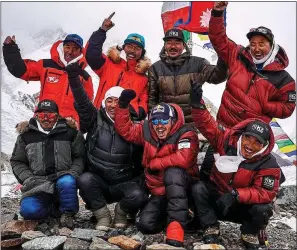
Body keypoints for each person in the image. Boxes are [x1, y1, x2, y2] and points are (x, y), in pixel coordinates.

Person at [189, 83, 281, 249]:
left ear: (264, 145)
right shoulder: (226, 140)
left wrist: (236, 194)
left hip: (240, 206)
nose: (250, 145)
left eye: (257, 142)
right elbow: (207, 125)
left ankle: (249, 232)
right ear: (242, 135)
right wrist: (197, 105)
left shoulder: (269, 164)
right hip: (218, 199)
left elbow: (265, 193)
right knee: (198, 188)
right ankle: (210, 226)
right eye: (248, 138)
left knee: (263, 208)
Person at [65, 62, 148, 231]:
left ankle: (121, 211)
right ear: (104, 103)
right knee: (85, 180)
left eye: (117, 101)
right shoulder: (95, 118)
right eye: (109, 100)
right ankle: (102, 215)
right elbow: (82, 102)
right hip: (99, 181)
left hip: (125, 182)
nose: (112, 105)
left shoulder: (137, 125)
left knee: (139, 194)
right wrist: (74, 79)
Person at [114, 90, 199, 247]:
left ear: (172, 120)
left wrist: (154, 164)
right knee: (145, 225)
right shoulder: (147, 130)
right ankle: (178, 216)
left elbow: (184, 158)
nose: (159, 125)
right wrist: (122, 106)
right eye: (155, 121)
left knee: (173, 172)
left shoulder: (186, 133)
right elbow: (126, 130)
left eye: (164, 120)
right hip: (159, 190)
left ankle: (176, 227)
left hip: (184, 187)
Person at [209, 1, 296, 128]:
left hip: (250, 136)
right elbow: (218, 39)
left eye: (262, 44)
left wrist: (265, 105)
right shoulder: (237, 54)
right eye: (253, 44)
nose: (256, 49)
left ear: (271, 46)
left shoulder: (285, 80)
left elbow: (288, 107)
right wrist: (217, 13)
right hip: (222, 129)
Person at [10, 99, 85, 229]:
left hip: (63, 178)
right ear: (36, 115)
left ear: (57, 115)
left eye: (50, 114)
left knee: (67, 182)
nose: (46, 118)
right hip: (37, 184)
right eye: (42, 114)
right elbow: (17, 161)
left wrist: (73, 173)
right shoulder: (25, 136)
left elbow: (80, 157)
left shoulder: (70, 132)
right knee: (28, 211)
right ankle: (53, 210)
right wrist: (28, 178)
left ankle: (68, 213)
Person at [2, 34, 94, 125]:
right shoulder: (46, 65)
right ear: (62, 47)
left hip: (69, 128)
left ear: (81, 52)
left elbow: (86, 106)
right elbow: (22, 70)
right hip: (43, 122)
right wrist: (10, 49)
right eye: (67, 47)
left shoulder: (84, 77)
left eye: (75, 48)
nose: (70, 51)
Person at [148, 28, 228, 124]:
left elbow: (218, 77)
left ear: (183, 45)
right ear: (165, 46)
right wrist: (153, 123)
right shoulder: (155, 68)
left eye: (177, 42)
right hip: (166, 124)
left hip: (191, 124)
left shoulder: (198, 63)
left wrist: (223, 57)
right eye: (169, 42)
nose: (173, 46)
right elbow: (152, 101)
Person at [86, 13, 150, 121]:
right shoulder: (108, 64)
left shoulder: (144, 78)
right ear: (123, 48)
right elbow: (91, 54)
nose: (132, 51)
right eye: (129, 46)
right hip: (100, 118)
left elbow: (144, 102)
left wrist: (137, 113)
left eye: (137, 48)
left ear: (142, 52)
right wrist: (102, 31)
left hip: (126, 122)